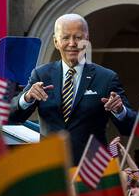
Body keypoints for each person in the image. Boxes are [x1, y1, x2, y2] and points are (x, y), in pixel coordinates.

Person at [9, 13, 132, 163]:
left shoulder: (106, 78)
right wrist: (26, 98)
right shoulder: (41, 74)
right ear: (56, 41)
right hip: (51, 168)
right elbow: (11, 117)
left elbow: (130, 127)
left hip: (90, 169)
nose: (72, 43)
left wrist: (120, 111)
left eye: (78, 37)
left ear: (86, 40)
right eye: (66, 37)